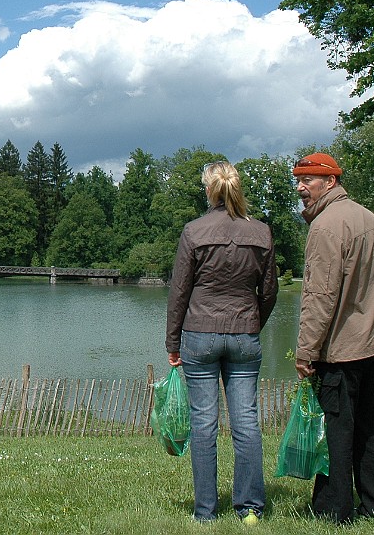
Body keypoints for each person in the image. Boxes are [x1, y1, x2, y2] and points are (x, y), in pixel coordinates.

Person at [166, 161, 278, 524]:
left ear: (209, 190)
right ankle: (249, 507)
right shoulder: (261, 233)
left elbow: (179, 291)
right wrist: (253, 322)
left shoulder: (194, 231)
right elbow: (270, 290)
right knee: (246, 421)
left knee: (204, 423)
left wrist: (173, 341)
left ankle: (206, 512)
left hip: (199, 334)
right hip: (244, 334)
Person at [292, 152, 374, 524]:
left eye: (308, 180)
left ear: (330, 181)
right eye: (298, 180)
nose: (301, 187)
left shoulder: (327, 226)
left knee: (337, 432)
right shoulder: (371, 219)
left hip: (342, 350)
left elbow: (320, 296)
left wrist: (306, 352)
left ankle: (335, 511)